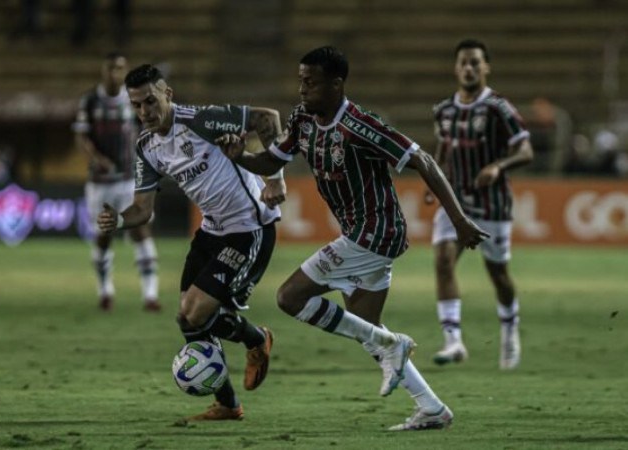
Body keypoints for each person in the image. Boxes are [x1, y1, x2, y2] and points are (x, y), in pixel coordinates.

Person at [217, 45, 489, 431]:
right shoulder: (303, 120)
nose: (302, 89)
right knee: (367, 328)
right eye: (300, 81)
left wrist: (458, 219)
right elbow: (270, 162)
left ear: (336, 83)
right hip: (360, 234)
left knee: (289, 297)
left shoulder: (361, 126)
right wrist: (239, 156)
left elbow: (423, 160)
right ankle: (431, 407)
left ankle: (394, 345)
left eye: (310, 83)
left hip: (377, 232)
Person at [97, 64, 287, 421]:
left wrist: (275, 178)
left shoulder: (201, 120)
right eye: (136, 106)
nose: (144, 112)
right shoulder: (147, 147)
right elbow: (142, 209)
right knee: (186, 318)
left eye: (150, 102)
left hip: (250, 229)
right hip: (212, 230)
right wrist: (120, 220)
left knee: (198, 311)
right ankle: (229, 403)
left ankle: (255, 342)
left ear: (167, 94)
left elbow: (267, 118)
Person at [427, 39, 534, 370]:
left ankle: (509, 329)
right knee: (443, 260)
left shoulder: (499, 108)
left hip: (492, 204)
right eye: (463, 63)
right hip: (455, 201)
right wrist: (435, 182)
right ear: (456, 68)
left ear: (486, 67)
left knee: (498, 273)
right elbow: (443, 148)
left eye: (475, 62)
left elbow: (526, 150)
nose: (469, 68)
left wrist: (498, 166)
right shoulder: (443, 110)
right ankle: (453, 340)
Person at [73, 52, 160, 312]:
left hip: (128, 179)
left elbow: (148, 130)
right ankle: (105, 290)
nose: (115, 74)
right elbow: (81, 138)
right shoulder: (89, 101)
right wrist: (96, 158)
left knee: (140, 229)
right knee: (104, 235)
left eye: (120, 69)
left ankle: (150, 295)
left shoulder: (132, 101)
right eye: (111, 68)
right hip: (99, 183)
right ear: (103, 71)